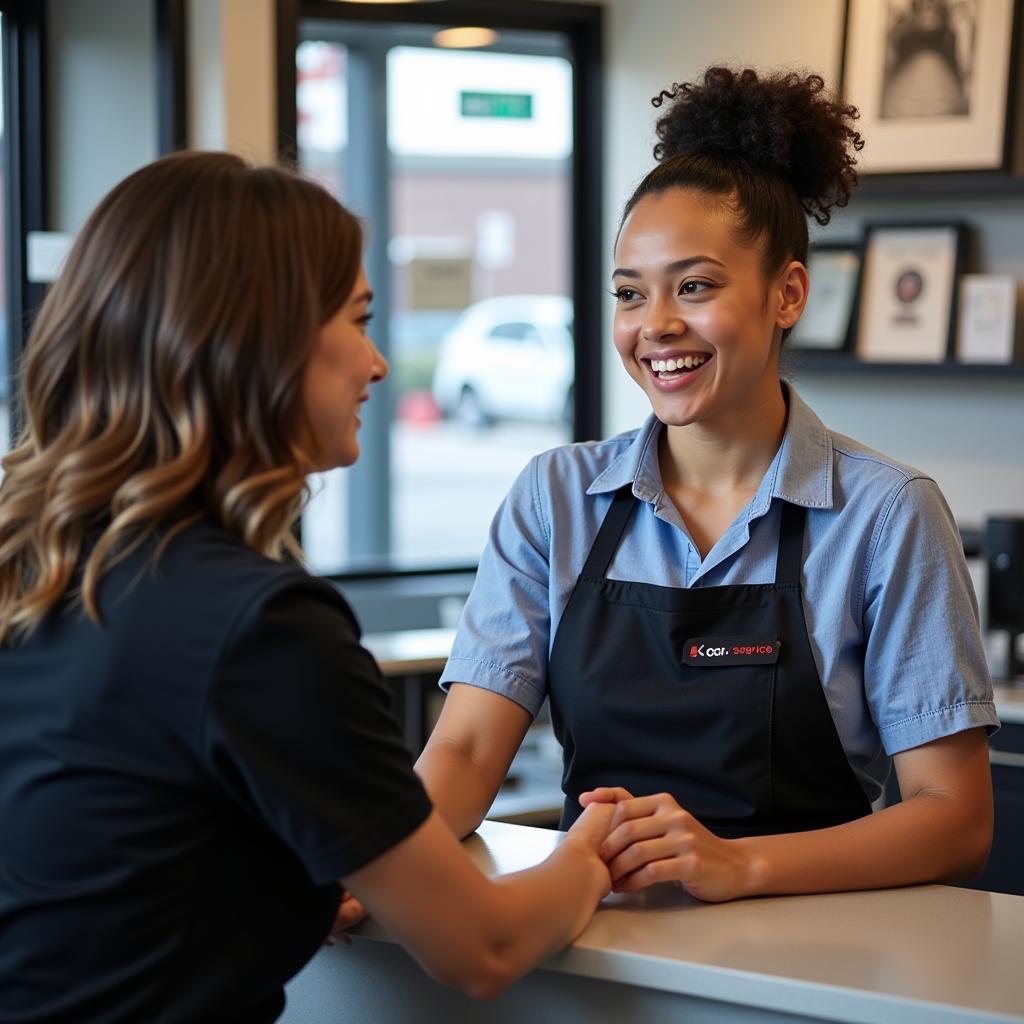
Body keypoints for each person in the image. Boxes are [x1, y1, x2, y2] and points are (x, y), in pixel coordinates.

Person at [0, 151, 616, 1024]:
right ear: (262, 339)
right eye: (358, 320)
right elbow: (482, 948)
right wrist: (588, 853)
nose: (375, 363)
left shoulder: (36, 569)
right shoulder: (260, 628)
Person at [417, 67, 998, 903]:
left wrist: (741, 864)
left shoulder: (885, 514)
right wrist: (372, 870)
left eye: (695, 286)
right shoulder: (555, 497)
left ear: (787, 293)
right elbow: (466, 755)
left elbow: (955, 819)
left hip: (812, 957)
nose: (656, 325)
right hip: (591, 948)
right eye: (630, 293)